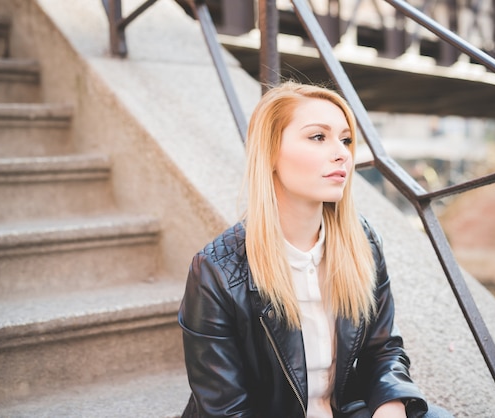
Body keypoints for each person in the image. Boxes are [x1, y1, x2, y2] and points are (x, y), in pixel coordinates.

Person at [178, 81, 453, 418]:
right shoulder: (215, 272)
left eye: (346, 139)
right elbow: (226, 409)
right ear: (270, 153)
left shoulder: (362, 242)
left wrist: (390, 405)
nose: (342, 153)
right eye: (318, 137)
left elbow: (384, 350)